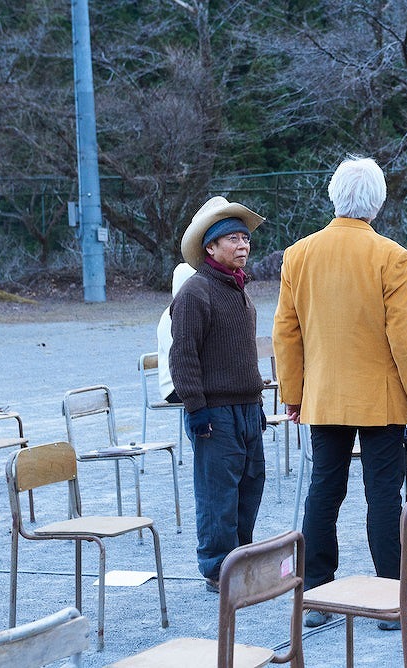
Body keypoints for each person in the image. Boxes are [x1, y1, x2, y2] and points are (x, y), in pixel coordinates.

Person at [272, 156, 407, 631]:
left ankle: (317, 594)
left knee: (324, 490)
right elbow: (405, 336)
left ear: (333, 195)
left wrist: (293, 391)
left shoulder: (298, 254)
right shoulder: (393, 256)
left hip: (323, 396)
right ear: (378, 202)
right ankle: (393, 598)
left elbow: (287, 332)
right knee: (384, 495)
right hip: (381, 398)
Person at [170, 196, 268, 593]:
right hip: (214, 412)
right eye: (232, 239)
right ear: (210, 247)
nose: (243, 245)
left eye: (245, 238)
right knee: (218, 494)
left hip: (246, 408)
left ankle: (240, 560)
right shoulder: (196, 292)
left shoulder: (240, 291)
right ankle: (217, 570)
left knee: (251, 485)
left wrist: (256, 403)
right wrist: (196, 408)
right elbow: (183, 356)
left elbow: (242, 356)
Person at [157, 262, 196, 403]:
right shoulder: (171, 316)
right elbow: (180, 358)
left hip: (194, 382)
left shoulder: (192, 312)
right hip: (174, 386)